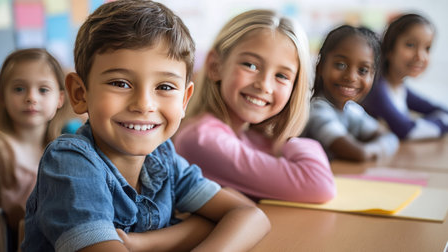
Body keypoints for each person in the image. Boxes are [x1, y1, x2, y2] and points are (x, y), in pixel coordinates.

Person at [22, 1, 270, 252]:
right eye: (120, 83)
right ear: (79, 93)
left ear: (184, 99)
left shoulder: (163, 159)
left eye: (164, 87)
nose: (144, 105)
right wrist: (197, 228)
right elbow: (220, 221)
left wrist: (140, 244)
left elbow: (250, 215)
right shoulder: (70, 161)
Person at [173, 9, 336, 203]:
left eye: (282, 76)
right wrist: (289, 140)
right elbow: (319, 185)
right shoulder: (201, 138)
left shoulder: (250, 136)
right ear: (216, 66)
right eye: (250, 65)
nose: (264, 85)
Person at [0, 48, 68, 251]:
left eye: (43, 90)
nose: (31, 97)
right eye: (19, 89)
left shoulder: (64, 150)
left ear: (60, 99)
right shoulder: (2, 148)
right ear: (2, 96)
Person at [303, 25, 399, 162]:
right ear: (320, 67)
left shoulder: (351, 110)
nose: (351, 77)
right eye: (340, 65)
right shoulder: (317, 111)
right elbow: (358, 153)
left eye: (363, 70)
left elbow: (390, 137)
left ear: (373, 76)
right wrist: (372, 150)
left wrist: (370, 151)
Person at [362, 13, 448, 140]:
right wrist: (442, 123)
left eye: (427, 48)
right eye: (410, 45)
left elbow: (443, 111)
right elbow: (407, 130)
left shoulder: (400, 87)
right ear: (389, 49)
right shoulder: (376, 89)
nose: (420, 56)